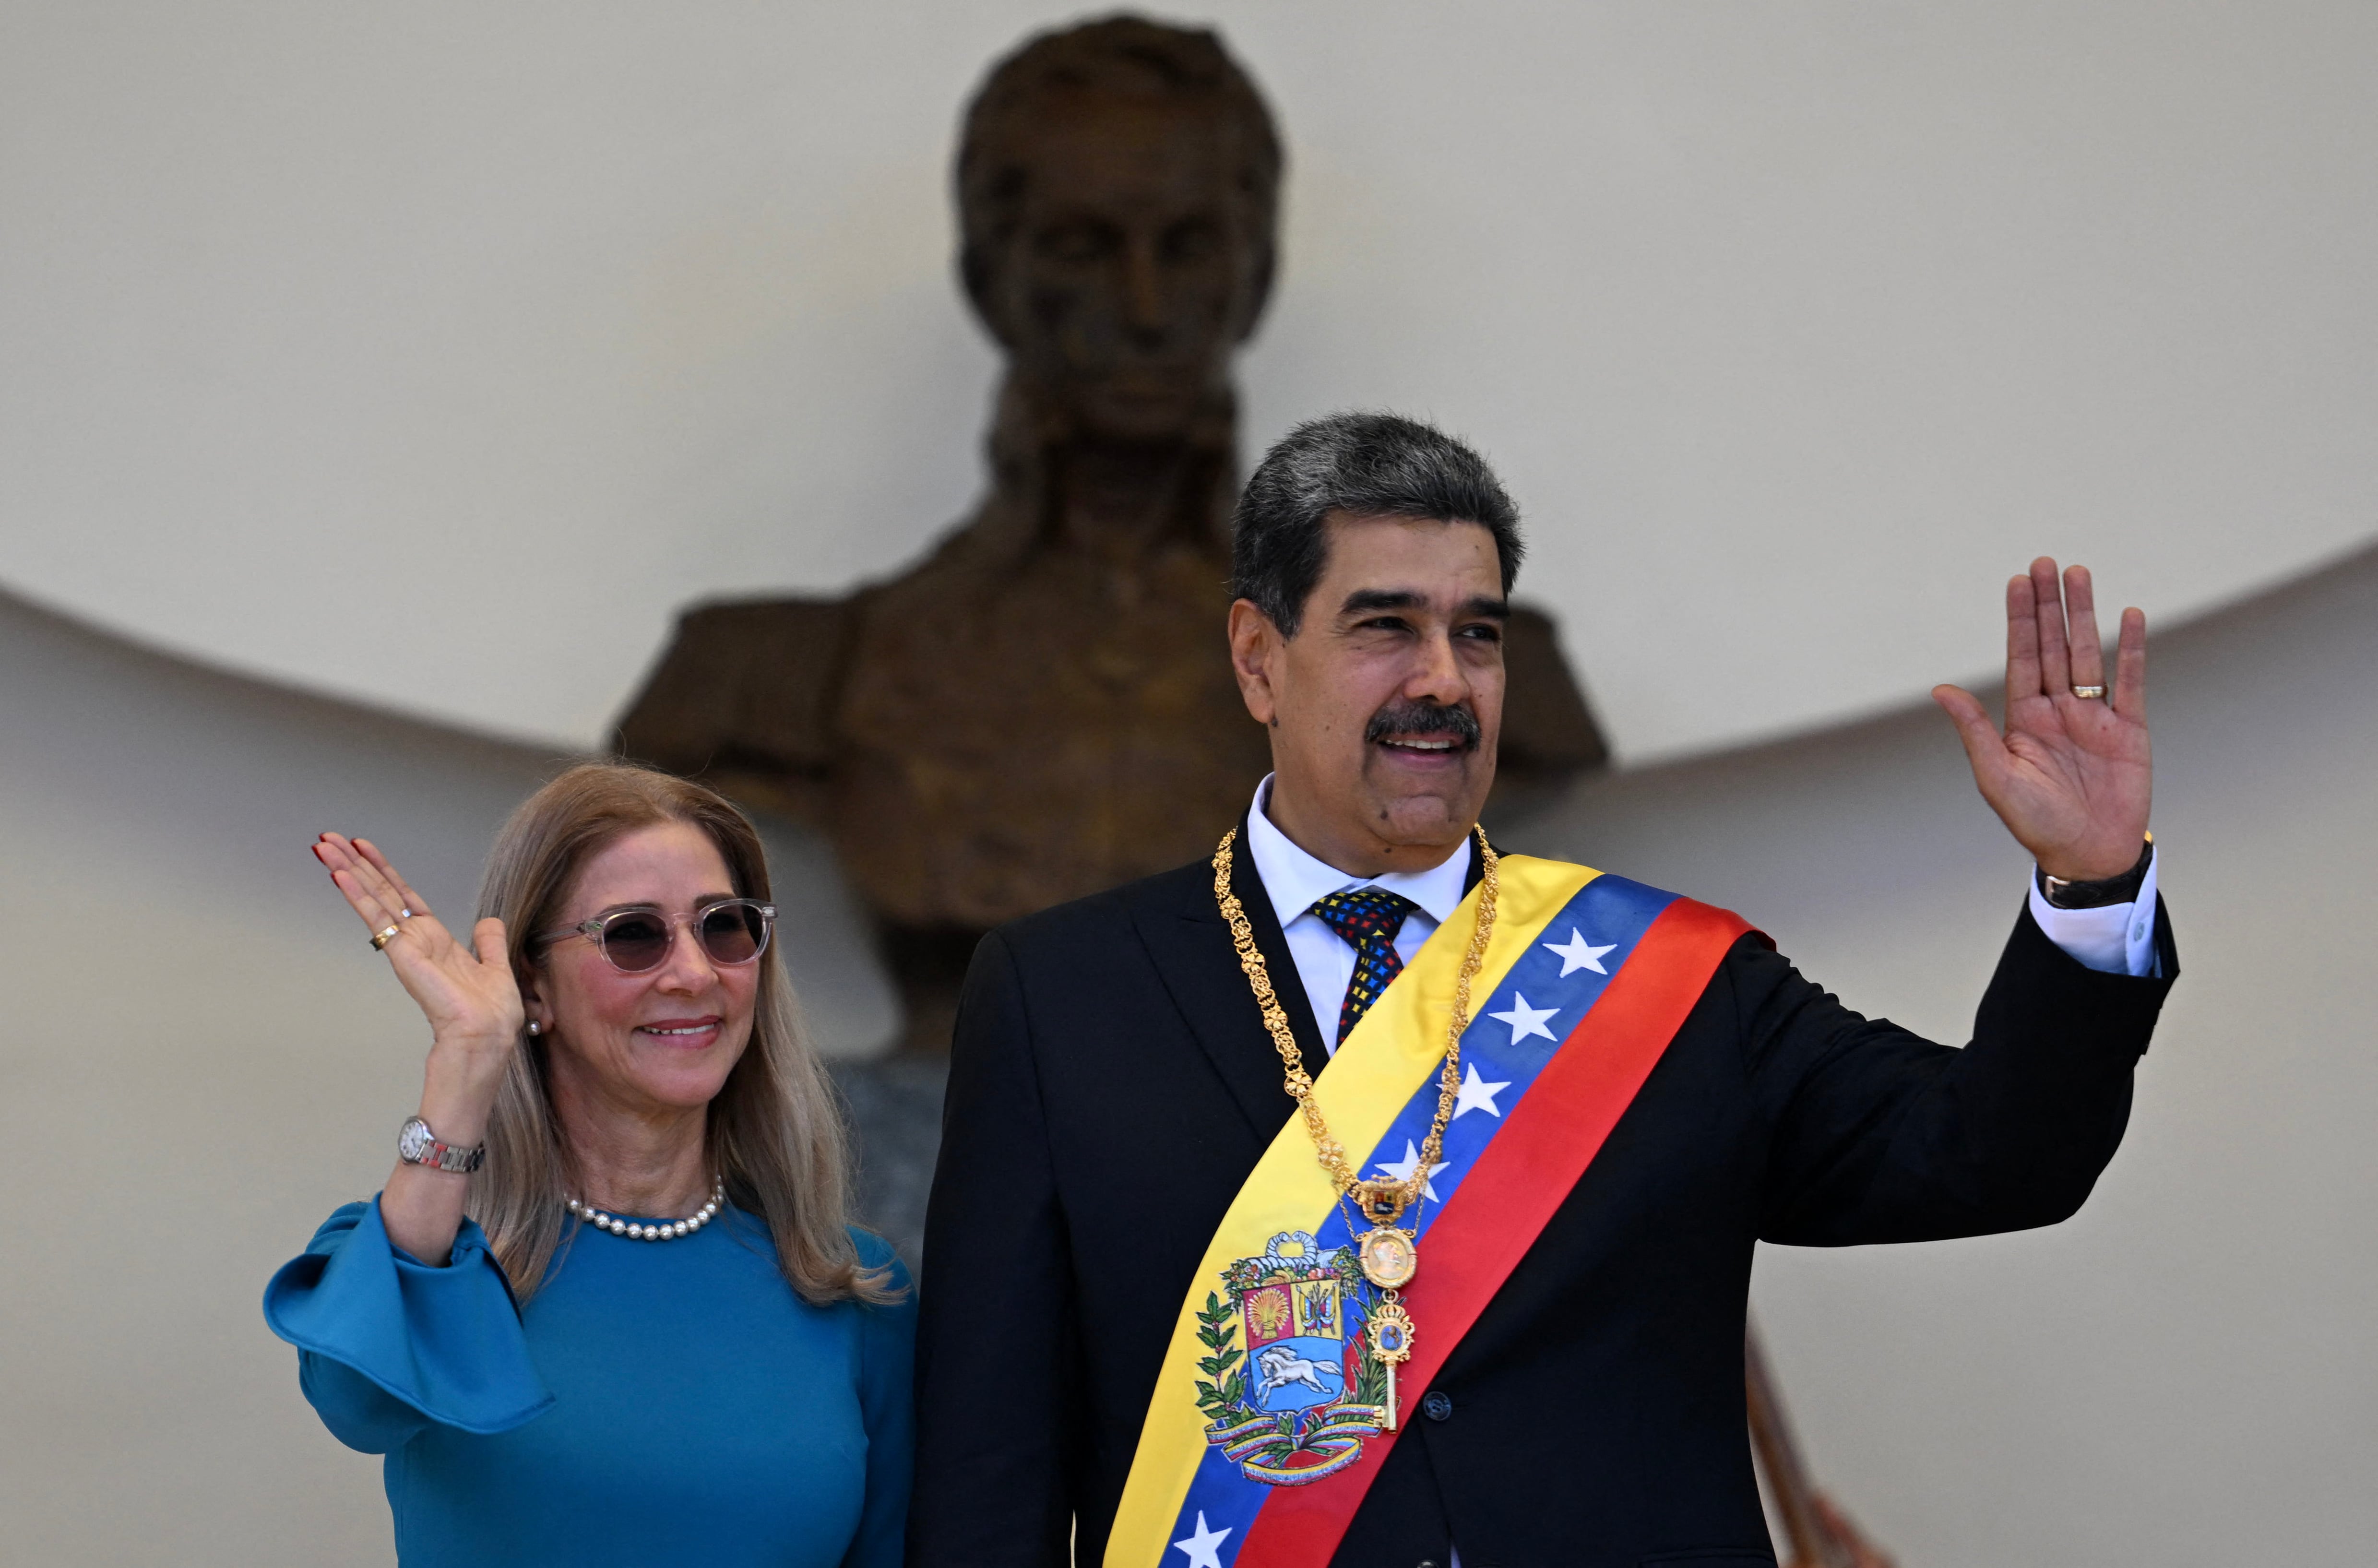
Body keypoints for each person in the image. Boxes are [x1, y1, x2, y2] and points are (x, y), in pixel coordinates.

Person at [910, 413, 2176, 1567]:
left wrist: (2088, 883)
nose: (1444, 680)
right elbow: (986, 1479)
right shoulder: (1058, 997)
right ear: (1257, 658)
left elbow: (1992, 1154)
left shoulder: (1670, 983)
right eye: (1383, 626)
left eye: (1477, 633)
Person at [614, 17, 1605, 1052]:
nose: (1142, 307)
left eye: (1187, 250)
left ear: (1253, 273)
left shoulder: (1480, 684)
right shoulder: (762, 686)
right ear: (994, 278)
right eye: (1085, 249)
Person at [263, 762, 914, 1567]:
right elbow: (355, 1405)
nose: (695, 972)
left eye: (725, 926)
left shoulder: (852, 1289)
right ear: (531, 985)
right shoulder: (430, 1268)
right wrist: (470, 1061)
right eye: (634, 935)